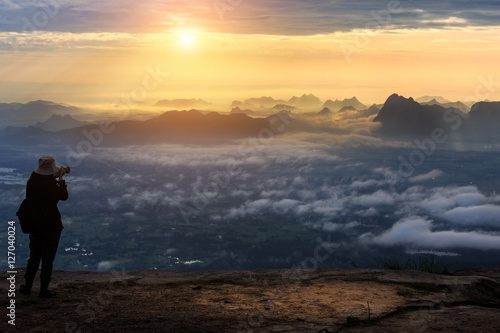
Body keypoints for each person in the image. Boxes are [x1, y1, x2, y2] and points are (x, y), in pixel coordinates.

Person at [19, 156, 69, 298]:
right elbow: (64, 196)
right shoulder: (51, 185)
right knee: (48, 258)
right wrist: (60, 179)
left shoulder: (31, 182)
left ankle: (27, 287)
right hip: (52, 225)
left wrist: (53, 177)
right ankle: (44, 289)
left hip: (35, 224)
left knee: (34, 256)